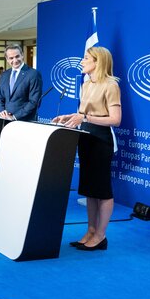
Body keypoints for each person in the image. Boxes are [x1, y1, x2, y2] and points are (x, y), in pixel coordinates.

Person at [53, 46, 121, 252]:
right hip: (86, 138)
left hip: (101, 140)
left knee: (102, 189)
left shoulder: (111, 85)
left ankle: (101, 236)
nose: (82, 61)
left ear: (97, 62)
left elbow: (116, 120)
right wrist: (69, 117)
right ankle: (90, 231)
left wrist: (85, 118)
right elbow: (83, 112)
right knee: (90, 189)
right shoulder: (86, 83)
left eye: (86, 58)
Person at [0, 44, 42, 121]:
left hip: (25, 122)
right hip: (5, 120)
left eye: (17, 56)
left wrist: (14, 117)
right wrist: (2, 111)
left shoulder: (33, 74)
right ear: (7, 59)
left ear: (22, 55)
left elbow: (34, 101)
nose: (15, 60)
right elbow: (0, 98)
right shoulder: (4, 75)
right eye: (11, 58)